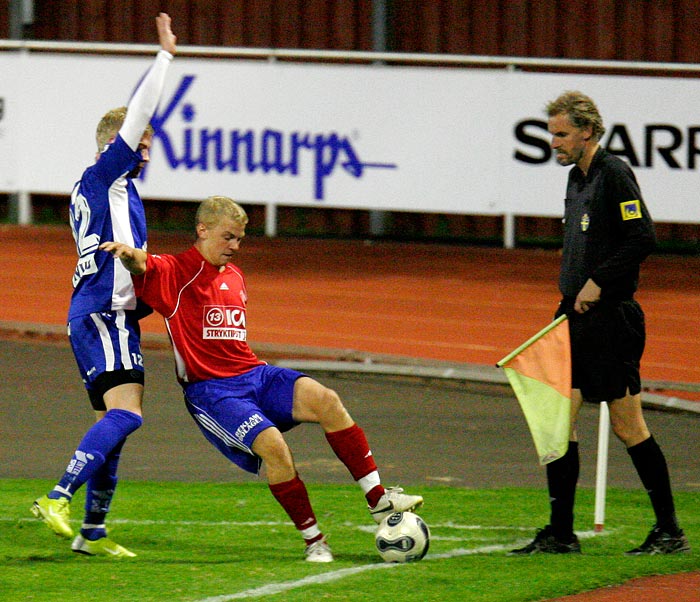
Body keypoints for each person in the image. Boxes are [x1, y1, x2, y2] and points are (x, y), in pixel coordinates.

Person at [99, 195, 424, 562]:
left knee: (327, 400)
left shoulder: (235, 276)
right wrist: (128, 255)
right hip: (212, 392)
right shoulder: (175, 272)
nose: (235, 246)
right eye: (228, 237)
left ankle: (378, 499)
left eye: (239, 239)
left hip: (255, 373)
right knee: (274, 448)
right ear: (202, 230)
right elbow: (143, 265)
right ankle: (314, 541)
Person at [509, 91, 689, 556]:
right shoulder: (575, 179)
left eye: (561, 133)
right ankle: (560, 533)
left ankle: (669, 531)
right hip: (571, 316)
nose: (554, 142)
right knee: (557, 423)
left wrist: (598, 282)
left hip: (610, 318)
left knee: (629, 426)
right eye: (551, 134)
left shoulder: (614, 173)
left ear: (587, 131)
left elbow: (642, 236)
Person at [30, 13, 177, 558]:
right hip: (102, 312)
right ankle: (57, 497)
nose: (145, 154)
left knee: (113, 423)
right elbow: (139, 111)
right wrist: (165, 56)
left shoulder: (117, 193)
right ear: (116, 144)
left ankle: (92, 533)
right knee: (128, 414)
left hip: (106, 312)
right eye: (139, 146)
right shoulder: (104, 177)